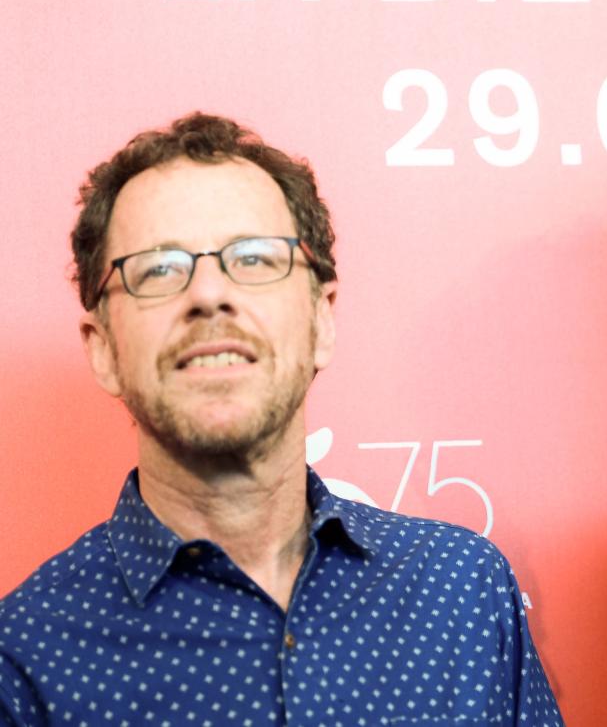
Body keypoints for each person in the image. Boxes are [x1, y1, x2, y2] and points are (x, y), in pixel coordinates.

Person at [0, 113, 563, 725]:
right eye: (159, 268)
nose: (209, 294)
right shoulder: (25, 659)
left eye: (255, 258)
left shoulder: (461, 590)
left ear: (321, 322)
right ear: (103, 349)